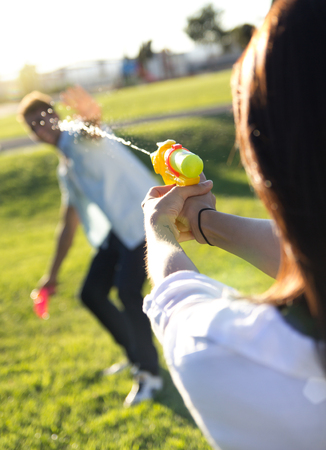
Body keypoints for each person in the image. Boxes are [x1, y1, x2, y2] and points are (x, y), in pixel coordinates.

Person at [141, 0, 326, 448]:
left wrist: (160, 229)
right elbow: (309, 254)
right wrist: (206, 223)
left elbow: (178, 305)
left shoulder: (235, 359)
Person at [18, 86, 162, 406]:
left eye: (43, 119)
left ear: (55, 115)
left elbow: (94, 128)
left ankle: (150, 374)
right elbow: (67, 225)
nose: (40, 128)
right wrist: (51, 276)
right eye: (33, 127)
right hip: (121, 231)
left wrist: (91, 115)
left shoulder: (79, 136)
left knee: (127, 291)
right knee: (91, 293)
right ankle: (134, 353)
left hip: (145, 219)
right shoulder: (65, 167)